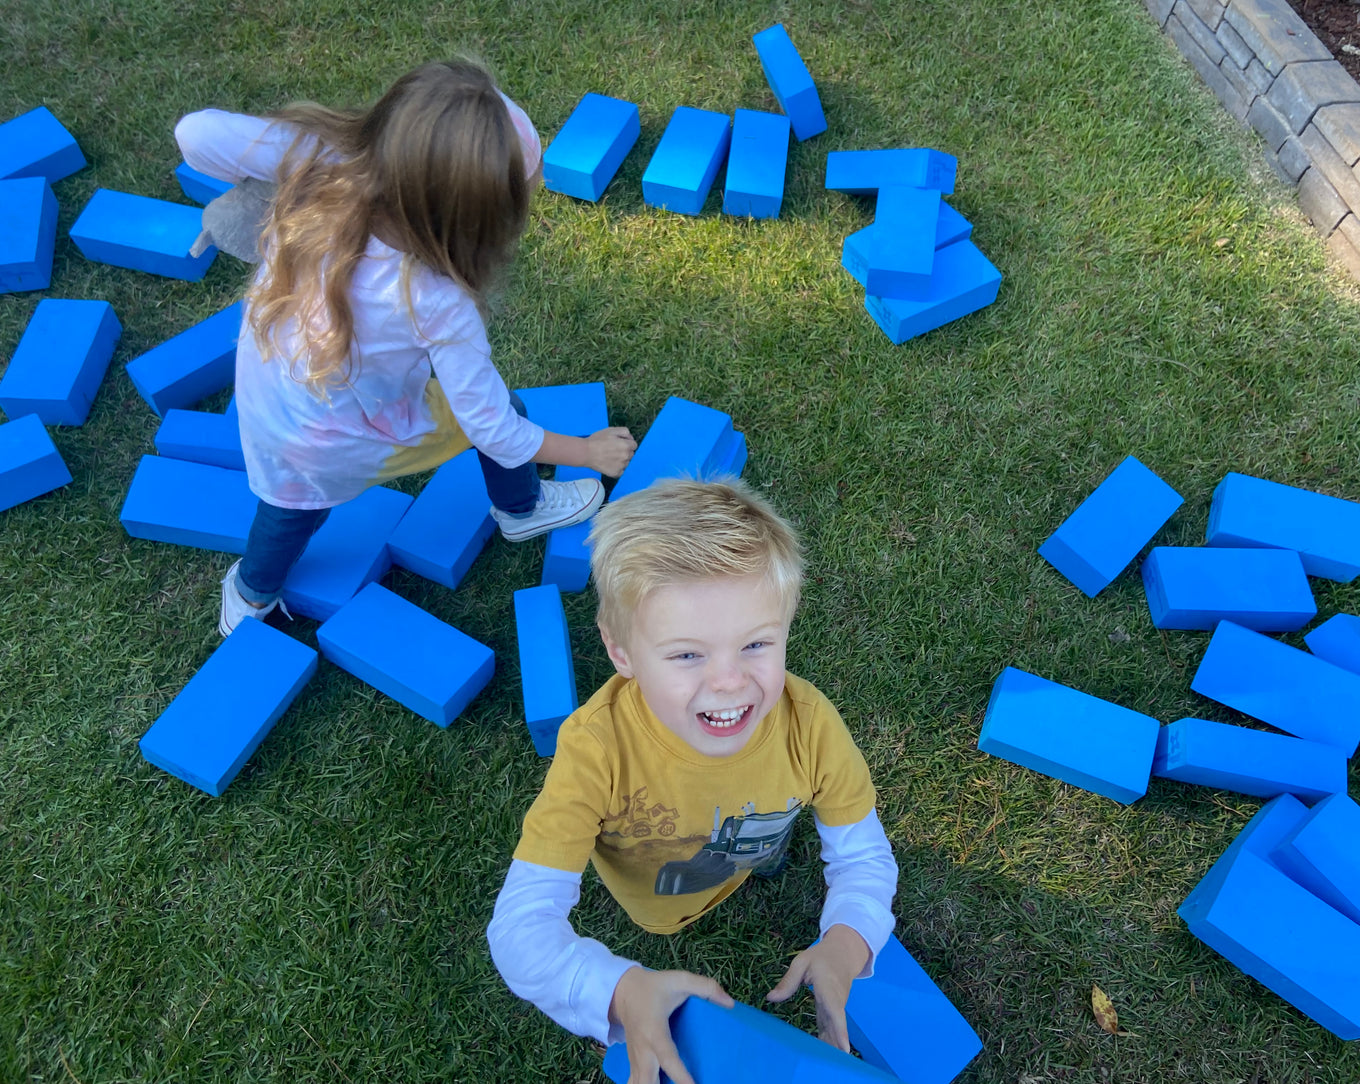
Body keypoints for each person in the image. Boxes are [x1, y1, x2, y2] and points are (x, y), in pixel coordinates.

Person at [173, 60, 636, 636]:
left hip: (271, 394)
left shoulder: (328, 164)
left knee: (289, 506)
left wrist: (317, 145)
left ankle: (249, 597)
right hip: (338, 436)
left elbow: (194, 133)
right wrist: (588, 452)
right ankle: (522, 509)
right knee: (505, 413)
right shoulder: (437, 301)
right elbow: (492, 427)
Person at [487, 478, 898, 1084]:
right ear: (621, 652)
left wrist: (846, 942)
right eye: (687, 655)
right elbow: (520, 929)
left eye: (756, 644)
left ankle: (763, 857)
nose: (730, 682)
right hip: (655, 905)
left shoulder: (810, 726)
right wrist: (619, 990)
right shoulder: (595, 750)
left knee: (759, 848)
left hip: (749, 852)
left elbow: (864, 855)